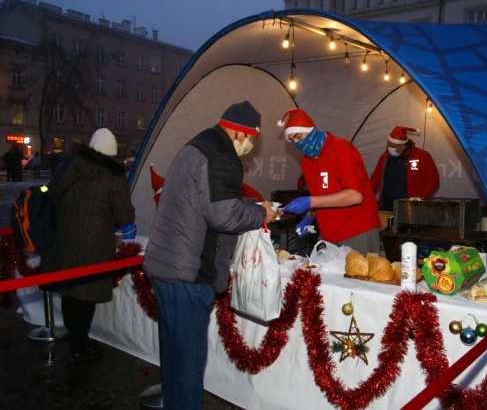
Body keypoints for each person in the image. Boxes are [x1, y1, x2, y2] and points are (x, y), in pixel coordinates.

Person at [143, 101, 277, 410]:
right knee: (188, 365)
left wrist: (247, 206)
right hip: (187, 273)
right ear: (238, 133)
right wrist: (261, 213)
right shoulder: (222, 157)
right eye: (251, 138)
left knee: (174, 359)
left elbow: (209, 202)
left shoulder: (197, 145)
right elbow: (224, 216)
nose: (252, 145)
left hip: (166, 265)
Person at [47, 128, 135, 363]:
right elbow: (125, 215)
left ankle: (75, 339)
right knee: (86, 295)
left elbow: (54, 195)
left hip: (66, 241)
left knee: (71, 293)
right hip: (95, 245)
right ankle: (79, 343)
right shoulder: (113, 177)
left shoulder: (70, 167)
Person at [277, 108, 381, 254]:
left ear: (311, 130)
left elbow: (355, 196)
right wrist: (308, 217)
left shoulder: (342, 150)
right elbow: (320, 198)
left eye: (298, 136)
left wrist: (310, 201)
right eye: (293, 141)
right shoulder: (307, 162)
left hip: (357, 231)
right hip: (328, 234)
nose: (298, 143)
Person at [369, 126, 440, 211]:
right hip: (387, 207)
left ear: (403, 145)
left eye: (393, 146)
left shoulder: (422, 156)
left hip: (412, 208)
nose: (390, 149)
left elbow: (433, 181)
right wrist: (365, 196)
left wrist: (417, 201)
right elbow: (375, 180)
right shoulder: (384, 158)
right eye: (388, 145)